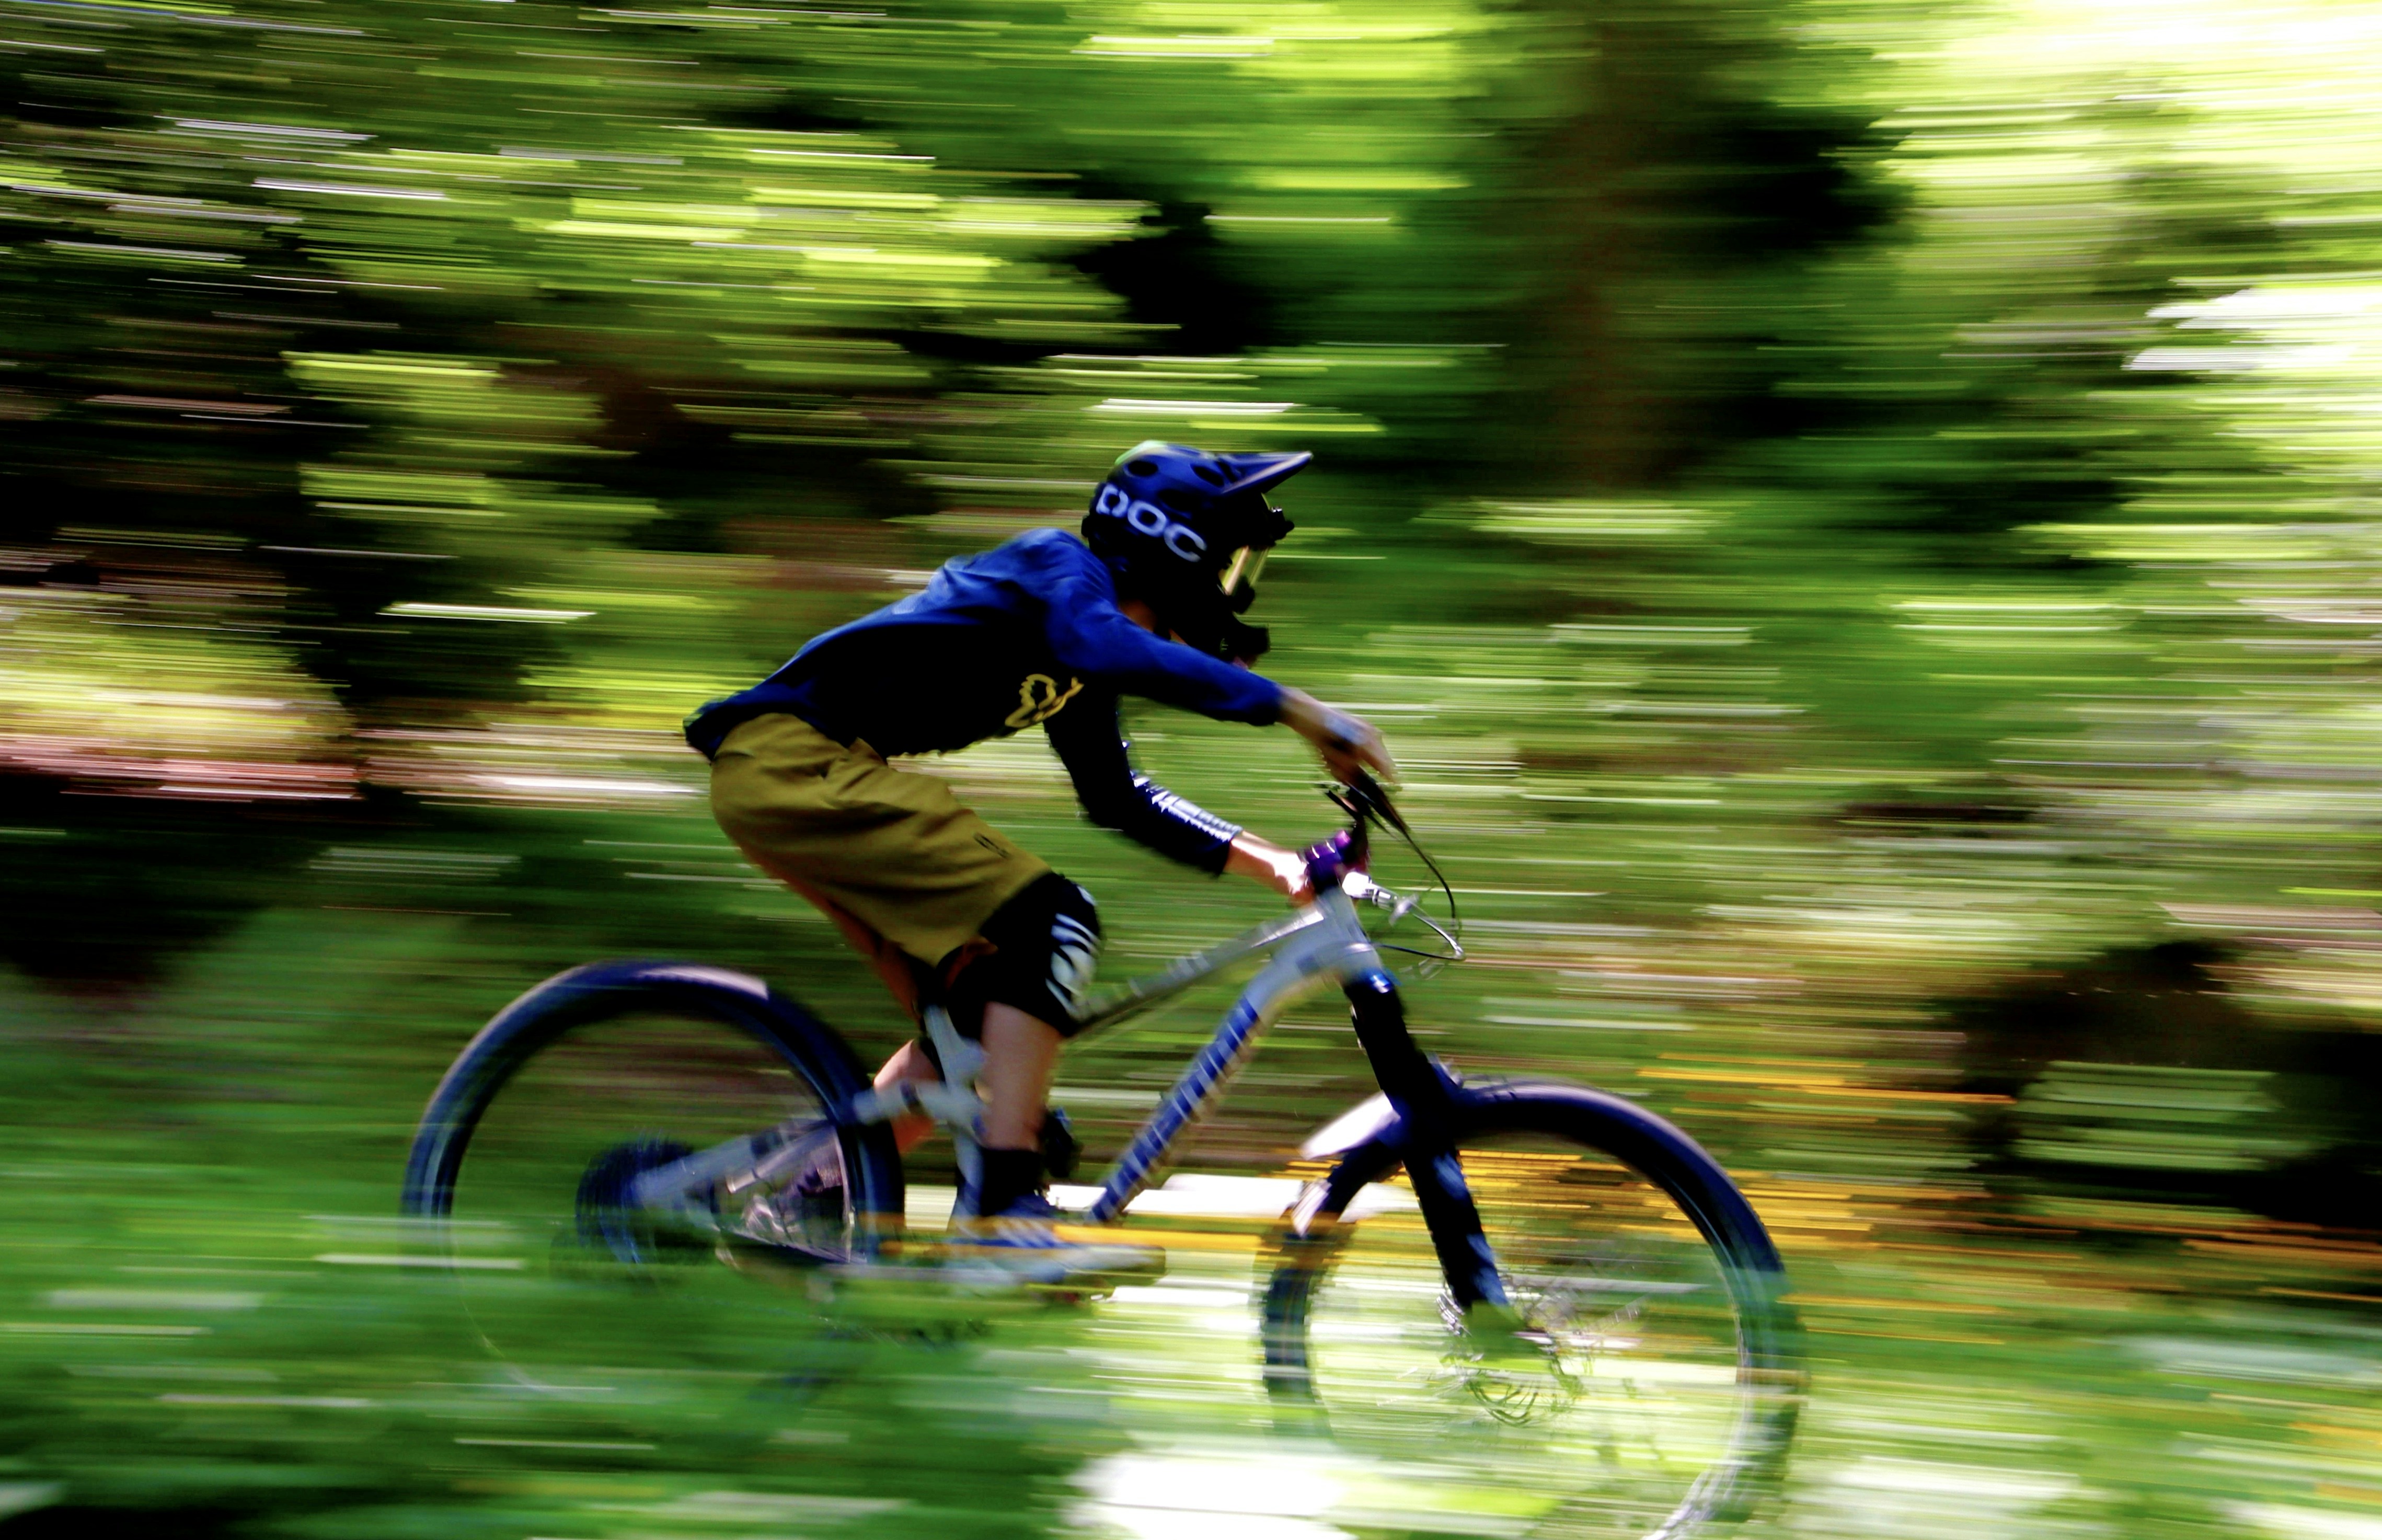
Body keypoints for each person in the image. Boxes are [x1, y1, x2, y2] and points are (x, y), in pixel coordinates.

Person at [682, 441, 1394, 1270]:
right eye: (1230, 561)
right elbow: (1105, 646)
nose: (1234, 587)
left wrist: (1277, 865)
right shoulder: (1057, 570)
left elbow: (1118, 795)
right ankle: (1003, 1219)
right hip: (791, 761)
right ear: (1175, 545)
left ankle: (808, 1195)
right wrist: (1296, 709)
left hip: (800, 775)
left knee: (983, 1026)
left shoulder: (1077, 650)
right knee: (1052, 921)